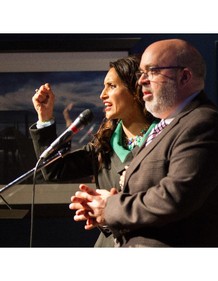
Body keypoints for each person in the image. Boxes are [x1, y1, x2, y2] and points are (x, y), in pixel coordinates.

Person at [69, 39, 218, 247]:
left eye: (152, 71)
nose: (141, 81)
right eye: (141, 73)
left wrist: (110, 206)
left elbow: (173, 198)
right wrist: (103, 212)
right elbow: (146, 203)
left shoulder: (204, 124)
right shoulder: (167, 126)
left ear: (184, 76)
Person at [30, 55, 157, 247]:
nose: (102, 95)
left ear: (135, 90)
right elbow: (53, 169)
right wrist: (45, 118)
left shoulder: (165, 137)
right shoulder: (103, 146)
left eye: (111, 86)